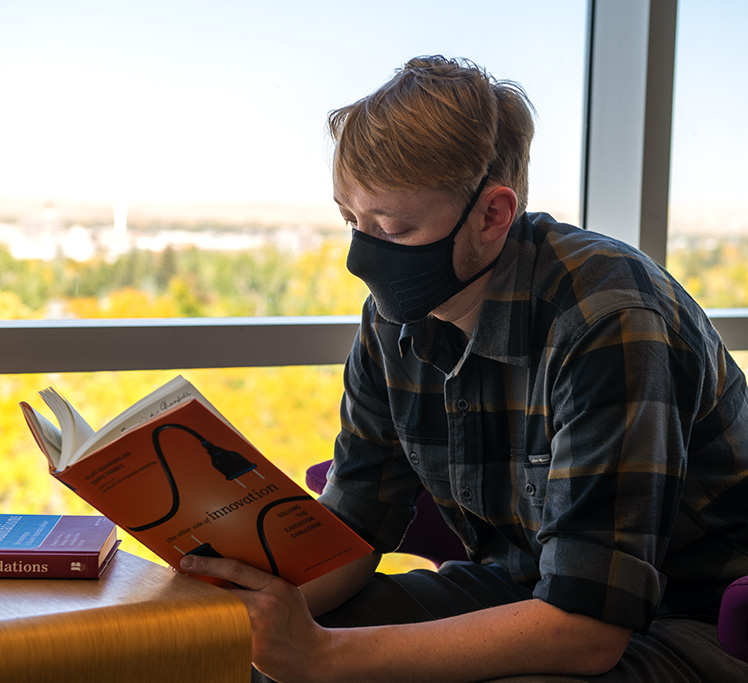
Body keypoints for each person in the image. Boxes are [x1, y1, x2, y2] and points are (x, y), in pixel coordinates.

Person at [180, 56, 748, 682]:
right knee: (237, 658)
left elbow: (587, 628)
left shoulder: (608, 318)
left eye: (392, 228)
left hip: (694, 622)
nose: (360, 258)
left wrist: (320, 656)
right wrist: (236, 615)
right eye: (352, 222)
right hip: (521, 591)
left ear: (492, 216)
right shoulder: (394, 320)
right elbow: (351, 531)